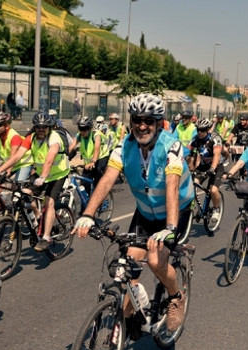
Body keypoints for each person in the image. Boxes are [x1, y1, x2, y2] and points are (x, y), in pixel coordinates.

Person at [74, 93, 195, 334]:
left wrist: (169, 228)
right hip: (145, 212)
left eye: (148, 120)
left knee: (154, 260)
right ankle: (129, 317)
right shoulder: (124, 147)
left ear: (159, 122)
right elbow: (108, 178)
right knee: (127, 265)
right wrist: (87, 214)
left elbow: (171, 185)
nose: (142, 125)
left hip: (176, 212)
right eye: (137, 120)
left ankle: (175, 297)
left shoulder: (171, 146)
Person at [0, 112, 70, 252]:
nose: (41, 130)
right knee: (23, 193)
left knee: (49, 202)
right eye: (38, 127)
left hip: (58, 174)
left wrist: (43, 177)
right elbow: (16, 157)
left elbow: (49, 160)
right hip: (41, 174)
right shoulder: (31, 138)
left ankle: (46, 237)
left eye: (44, 127)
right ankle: (39, 217)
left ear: (49, 128)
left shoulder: (54, 138)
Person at [187, 118, 223, 227]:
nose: (200, 133)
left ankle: (216, 209)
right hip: (202, 166)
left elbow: (216, 155)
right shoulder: (195, 139)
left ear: (207, 130)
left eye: (202, 130)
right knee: (192, 184)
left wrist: (212, 169)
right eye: (198, 130)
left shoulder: (215, 138)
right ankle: (192, 207)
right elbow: (186, 152)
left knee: (213, 190)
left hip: (216, 167)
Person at [67, 116, 110, 193]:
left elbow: (97, 149)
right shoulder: (79, 135)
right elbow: (72, 146)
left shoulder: (96, 135)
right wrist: (65, 157)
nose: (82, 132)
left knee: (97, 174)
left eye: (84, 129)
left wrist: (93, 162)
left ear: (90, 128)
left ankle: (99, 195)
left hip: (101, 157)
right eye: (80, 129)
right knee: (84, 183)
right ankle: (86, 203)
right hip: (89, 162)